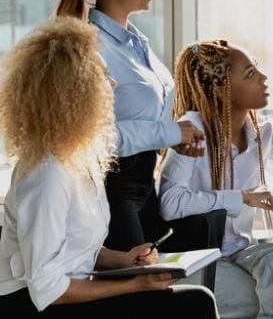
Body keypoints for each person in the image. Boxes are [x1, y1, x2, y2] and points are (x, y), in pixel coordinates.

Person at [0, 18, 218, 318]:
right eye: (103, 75)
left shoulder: (79, 160)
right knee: (192, 304)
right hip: (30, 305)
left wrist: (125, 260)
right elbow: (47, 288)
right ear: (74, 92)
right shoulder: (47, 176)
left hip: (68, 292)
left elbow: (75, 249)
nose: (113, 83)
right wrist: (134, 286)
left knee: (191, 301)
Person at [55, 0, 204, 251]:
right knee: (141, 292)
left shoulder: (137, 43)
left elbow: (151, 120)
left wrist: (175, 139)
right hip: (110, 192)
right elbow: (94, 140)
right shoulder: (89, 48)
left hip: (144, 187)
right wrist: (170, 133)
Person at [159, 40, 273, 319]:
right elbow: (169, 203)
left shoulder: (263, 132)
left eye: (256, 69)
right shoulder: (192, 131)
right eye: (249, 74)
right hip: (195, 259)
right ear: (221, 90)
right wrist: (241, 198)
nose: (263, 78)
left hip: (241, 254)